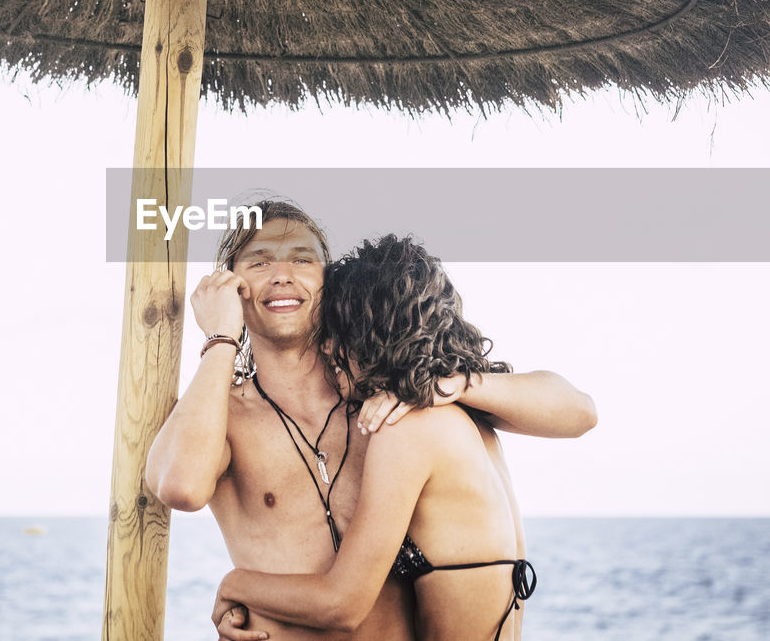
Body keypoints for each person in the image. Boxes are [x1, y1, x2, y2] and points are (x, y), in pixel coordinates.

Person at [145, 201, 597, 641]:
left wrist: (456, 382)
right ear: (230, 286)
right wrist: (222, 338)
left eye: (302, 258)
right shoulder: (219, 414)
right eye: (259, 262)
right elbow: (180, 486)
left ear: (332, 281)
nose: (282, 274)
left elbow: (578, 412)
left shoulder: (390, 397)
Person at [213, 234, 540, 641]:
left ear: (374, 334)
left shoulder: (406, 429)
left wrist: (235, 585)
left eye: (339, 332)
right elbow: (579, 409)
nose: (328, 347)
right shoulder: (473, 417)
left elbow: (342, 604)